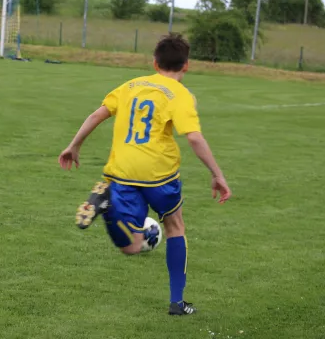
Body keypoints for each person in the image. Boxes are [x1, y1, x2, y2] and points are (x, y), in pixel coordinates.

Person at [58, 34, 231, 316]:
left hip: (122, 173)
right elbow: (195, 138)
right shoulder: (181, 95)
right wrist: (217, 174)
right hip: (159, 175)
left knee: (132, 247)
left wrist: (73, 145)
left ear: (154, 62)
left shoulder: (131, 85)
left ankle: (107, 202)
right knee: (175, 226)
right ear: (186, 65)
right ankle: (177, 302)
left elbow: (96, 115)